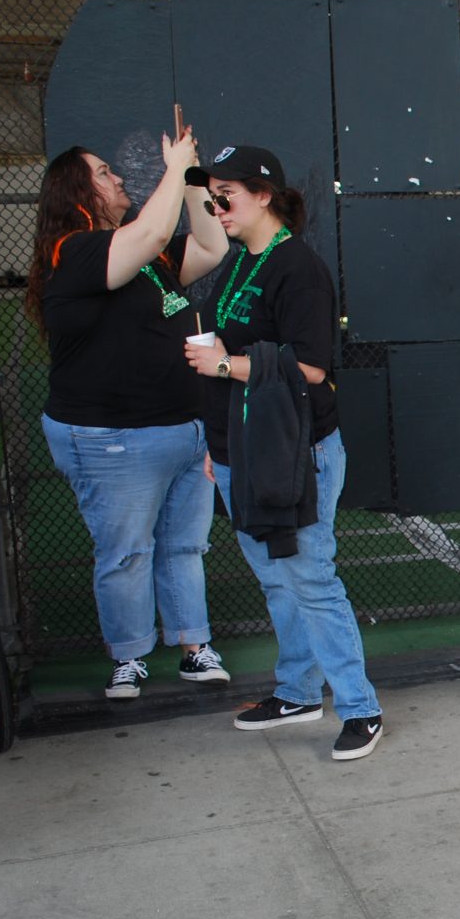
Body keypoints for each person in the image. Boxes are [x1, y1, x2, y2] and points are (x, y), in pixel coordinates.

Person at [180, 144, 384, 762]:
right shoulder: (242, 258)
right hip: (243, 450)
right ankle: (298, 690)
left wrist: (224, 362)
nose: (216, 208)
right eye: (211, 197)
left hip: (294, 451)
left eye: (226, 197)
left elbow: (314, 368)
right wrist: (219, 447)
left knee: (310, 576)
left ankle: (360, 707)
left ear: (263, 195)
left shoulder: (298, 267)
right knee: (278, 578)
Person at [26, 128, 232, 698]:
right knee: (126, 552)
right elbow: (152, 231)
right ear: (75, 193)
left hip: (182, 430)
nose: (117, 178)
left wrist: (190, 178)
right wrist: (173, 167)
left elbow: (212, 248)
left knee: (184, 546)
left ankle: (194, 646)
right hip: (115, 436)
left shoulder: (147, 255)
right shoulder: (75, 249)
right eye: (102, 173)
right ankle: (129, 656)